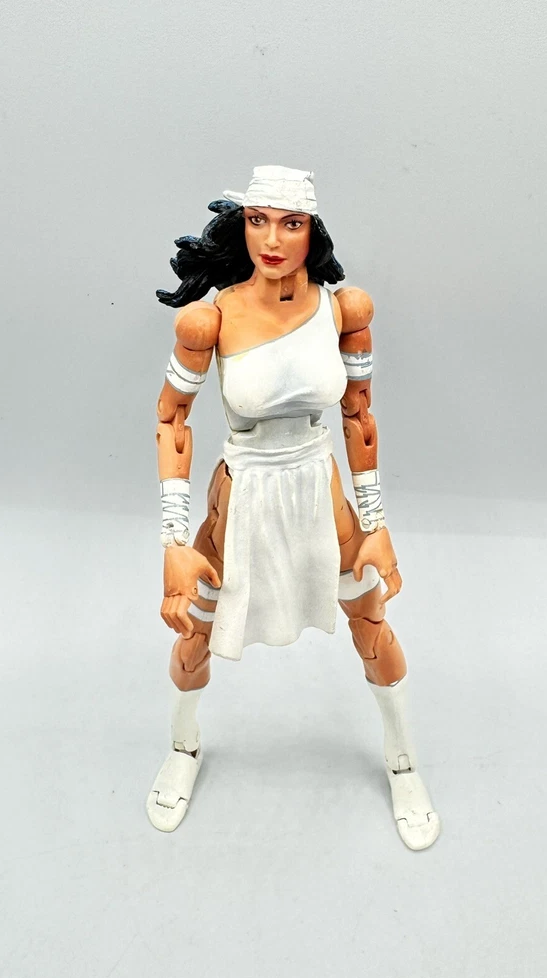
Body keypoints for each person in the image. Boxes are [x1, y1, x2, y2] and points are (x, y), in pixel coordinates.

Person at [148, 166, 440, 850]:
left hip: (319, 489)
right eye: (258, 221)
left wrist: (376, 523)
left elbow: (359, 414)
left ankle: (402, 759)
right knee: (194, 629)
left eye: (291, 223)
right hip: (242, 493)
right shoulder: (209, 320)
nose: (273, 240)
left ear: (313, 230)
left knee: (372, 620)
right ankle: (183, 746)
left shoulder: (346, 311)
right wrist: (173, 541)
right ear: (242, 225)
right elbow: (171, 420)